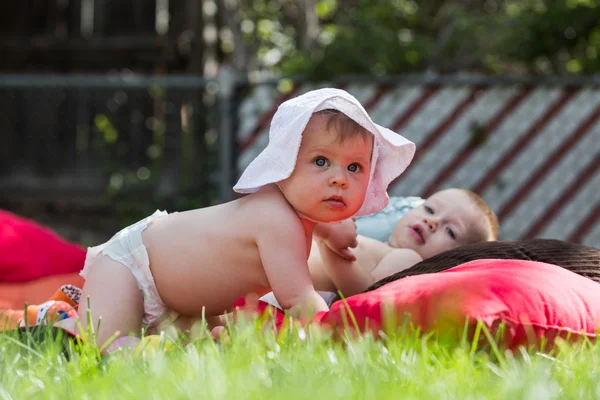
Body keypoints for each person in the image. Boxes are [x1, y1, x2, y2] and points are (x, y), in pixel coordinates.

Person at [76, 88, 416, 347]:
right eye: (321, 161)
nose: (339, 178)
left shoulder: (301, 216)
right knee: (113, 349)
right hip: (130, 270)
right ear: (284, 166)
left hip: (181, 304)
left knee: (190, 347)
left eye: (354, 167)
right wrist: (346, 333)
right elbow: (298, 300)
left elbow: (322, 231)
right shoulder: (275, 220)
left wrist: (332, 232)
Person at [260, 188, 499, 307]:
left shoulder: (408, 259)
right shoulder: (382, 245)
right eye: (430, 209)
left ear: (455, 256)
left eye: (450, 231)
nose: (432, 222)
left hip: (282, 286)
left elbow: (365, 291)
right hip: (276, 272)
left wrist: (328, 243)